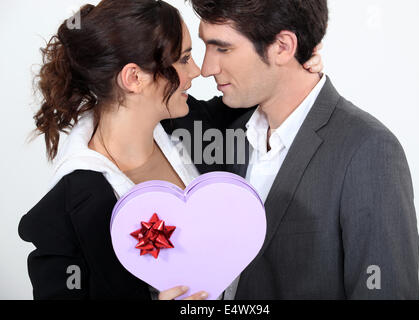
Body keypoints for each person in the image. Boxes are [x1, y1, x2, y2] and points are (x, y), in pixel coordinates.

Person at [17, 0, 323, 300]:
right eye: (184, 59)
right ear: (134, 78)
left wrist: (293, 70)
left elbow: (253, 95)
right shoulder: (61, 218)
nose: (198, 71)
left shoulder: (194, 125)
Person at [168, 0, 419, 299]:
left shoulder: (367, 149)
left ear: (283, 46)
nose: (207, 68)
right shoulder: (226, 129)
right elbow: (141, 103)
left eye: (223, 48)